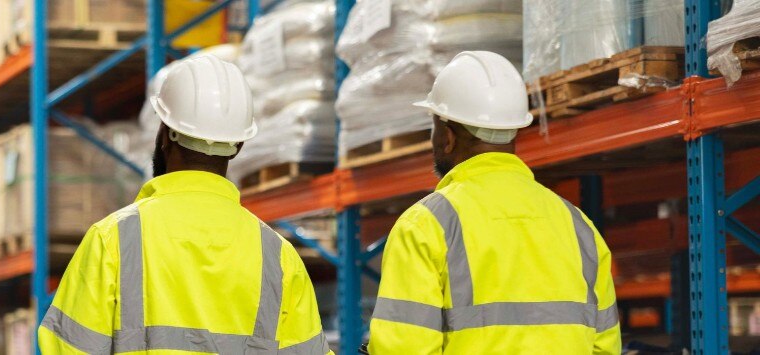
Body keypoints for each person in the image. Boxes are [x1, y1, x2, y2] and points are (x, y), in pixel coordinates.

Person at [37, 56, 332, 354]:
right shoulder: (279, 257)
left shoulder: (112, 240)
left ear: (164, 135)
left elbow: (66, 348)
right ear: (238, 146)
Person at [367, 51, 621, 354]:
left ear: (447, 136)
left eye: (434, 126)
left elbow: (404, 349)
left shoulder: (424, 226)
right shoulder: (578, 226)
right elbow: (605, 348)